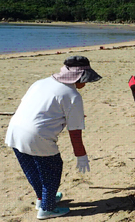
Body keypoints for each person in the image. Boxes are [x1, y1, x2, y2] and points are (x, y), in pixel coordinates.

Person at [5, 56, 102, 219]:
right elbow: (75, 132)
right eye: (85, 79)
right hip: (36, 136)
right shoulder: (73, 95)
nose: (86, 84)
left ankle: (42, 199)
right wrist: (81, 156)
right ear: (78, 77)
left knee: (32, 169)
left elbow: (39, 108)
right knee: (52, 169)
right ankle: (47, 209)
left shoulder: (40, 82)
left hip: (14, 131)